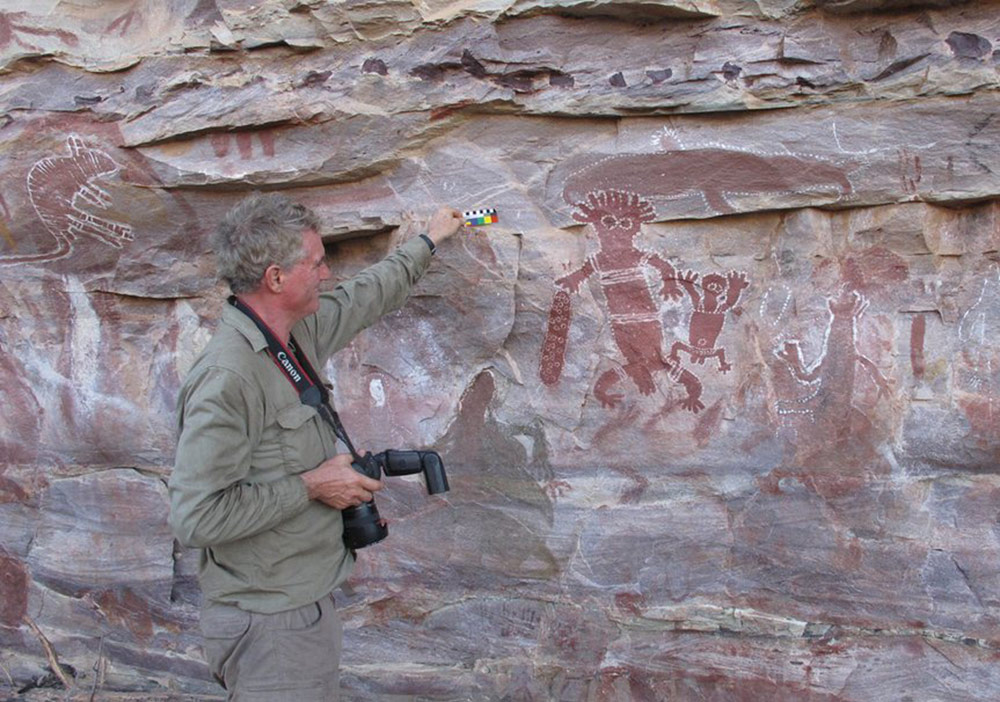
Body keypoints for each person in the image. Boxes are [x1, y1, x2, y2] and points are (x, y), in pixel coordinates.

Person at [168, 192, 464, 701]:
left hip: (298, 603)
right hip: (268, 624)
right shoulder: (228, 378)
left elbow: (366, 295)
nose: (326, 275)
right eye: (317, 263)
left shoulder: (293, 333)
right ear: (276, 278)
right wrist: (311, 486)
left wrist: (430, 240)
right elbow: (195, 518)